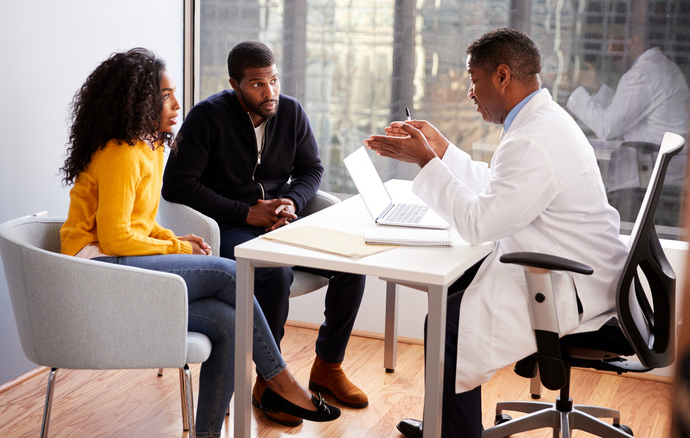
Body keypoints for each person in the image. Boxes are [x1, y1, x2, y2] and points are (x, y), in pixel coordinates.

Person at [58, 48, 340, 438]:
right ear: (138, 101)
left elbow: (137, 224)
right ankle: (280, 379)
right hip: (97, 271)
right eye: (165, 96)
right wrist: (177, 249)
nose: (177, 105)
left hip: (121, 262)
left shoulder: (149, 147)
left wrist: (173, 237)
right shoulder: (120, 154)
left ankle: (206, 433)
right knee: (229, 274)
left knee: (228, 323)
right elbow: (114, 237)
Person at [364, 28, 629, 438]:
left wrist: (426, 163)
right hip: (576, 267)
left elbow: (480, 224)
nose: (469, 91)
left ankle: (455, 433)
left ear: (502, 76)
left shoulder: (535, 138)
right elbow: (499, 187)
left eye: (474, 78)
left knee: (448, 321)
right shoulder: (541, 121)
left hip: (571, 283)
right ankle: (447, 424)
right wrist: (443, 151)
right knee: (454, 294)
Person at [162, 41, 369, 425]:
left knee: (352, 261)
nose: (269, 92)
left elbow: (311, 169)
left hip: (281, 217)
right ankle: (269, 382)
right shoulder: (207, 117)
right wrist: (247, 212)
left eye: (273, 80)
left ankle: (328, 367)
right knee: (273, 272)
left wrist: (290, 202)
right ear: (234, 84)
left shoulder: (290, 111)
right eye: (257, 84)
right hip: (228, 225)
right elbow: (176, 186)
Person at [567, 30, 689, 220]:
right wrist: (597, 85)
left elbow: (608, 127)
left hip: (650, 169)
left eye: (613, 39)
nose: (609, 50)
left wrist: (575, 91)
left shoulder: (642, 74)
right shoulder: (659, 66)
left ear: (634, 39)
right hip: (660, 163)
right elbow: (625, 112)